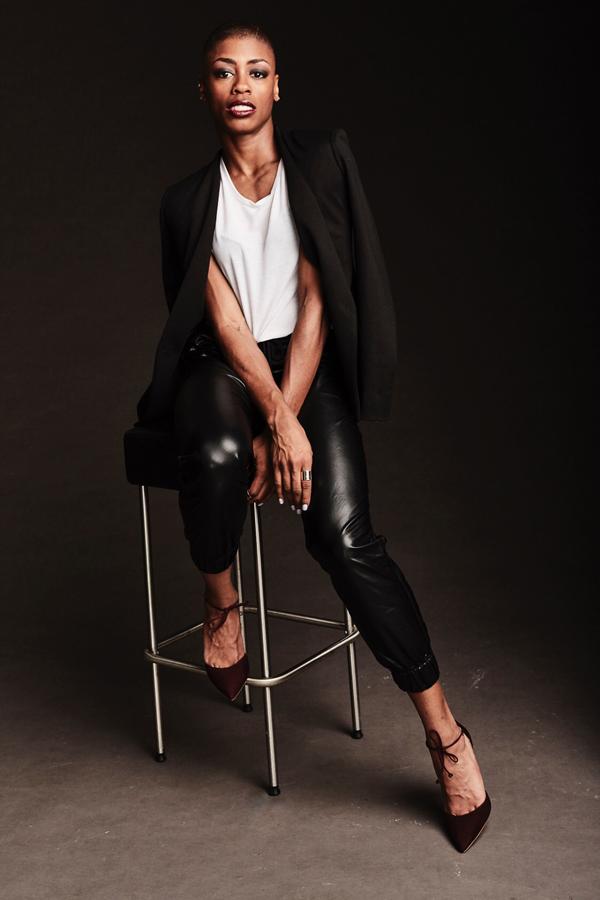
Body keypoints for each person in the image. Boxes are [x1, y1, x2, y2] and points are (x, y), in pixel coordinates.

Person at [137, 20, 491, 852]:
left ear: (278, 86)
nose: (241, 86)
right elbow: (222, 318)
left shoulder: (321, 160)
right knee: (218, 452)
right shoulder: (185, 201)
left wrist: (287, 421)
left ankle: (445, 733)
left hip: (307, 362)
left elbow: (319, 296)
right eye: (224, 72)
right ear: (205, 90)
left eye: (257, 71)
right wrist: (269, 418)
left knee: (342, 536)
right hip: (224, 368)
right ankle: (221, 598)